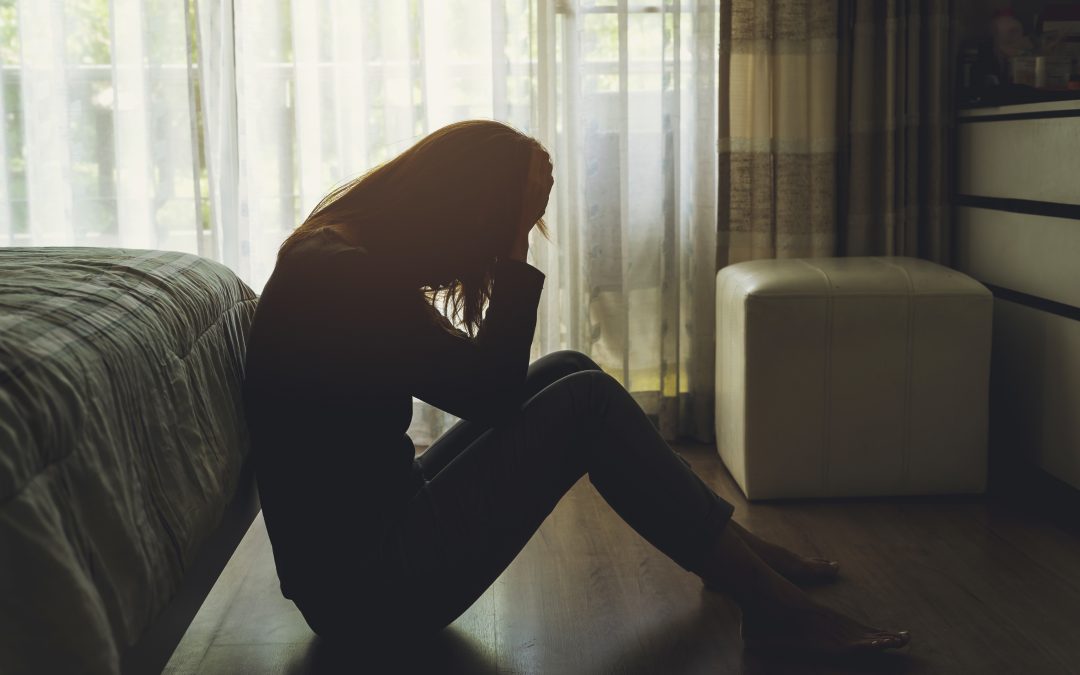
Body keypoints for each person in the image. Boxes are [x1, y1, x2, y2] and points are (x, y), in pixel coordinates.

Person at [242, 120, 910, 657]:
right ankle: (770, 606)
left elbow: (478, 385)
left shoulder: (335, 255)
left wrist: (510, 228)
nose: (510, 243)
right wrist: (512, 255)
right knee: (583, 403)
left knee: (567, 368)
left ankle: (727, 552)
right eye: (509, 225)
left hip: (359, 562)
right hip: (375, 590)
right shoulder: (347, 277)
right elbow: (493, 392)